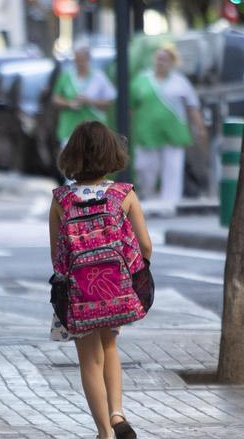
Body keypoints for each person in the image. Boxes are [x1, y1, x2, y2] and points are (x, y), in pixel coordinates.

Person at [49, 121, 152, 439]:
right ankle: (117, 414)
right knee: (110, 347)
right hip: (115, 287)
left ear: (72, 156)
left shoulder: (61, 199)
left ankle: (105, 433)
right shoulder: (123, 194)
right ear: (112, 154)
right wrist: (139, 269)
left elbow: (56, 254)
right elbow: (146, 245)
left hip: (80, 294)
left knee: (89, 360)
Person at [130, 45, 206, 207]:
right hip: (146, 134)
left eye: (165, 59)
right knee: (145, 168)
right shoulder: (142, 79)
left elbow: (192, 106)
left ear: (171, 62)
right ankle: (147, 197)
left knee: (172, 170)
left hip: (174, 134)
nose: (161, 62)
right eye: (159, 58)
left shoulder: (180, 82)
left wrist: (200, 127)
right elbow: (130, 107)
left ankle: (170, 204)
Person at [51, 45, 117, 147]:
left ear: (88, 60)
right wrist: (69, 104)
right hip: (69, 131)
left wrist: (89, 101)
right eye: (77, 60)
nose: (79, 64)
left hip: (93, 133)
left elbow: (109, 101)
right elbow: (55, 99)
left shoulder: (98, 77)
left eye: (82, 60)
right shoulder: (66, 76)